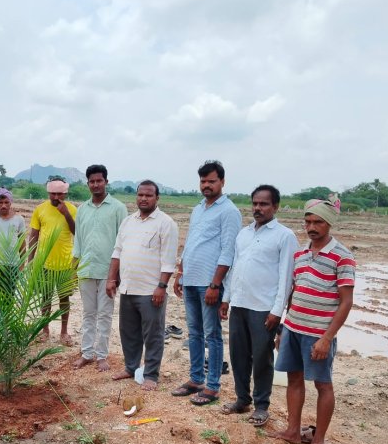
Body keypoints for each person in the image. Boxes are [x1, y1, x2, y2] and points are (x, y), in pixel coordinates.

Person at [271, 195, 355, 444]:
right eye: (308, 221)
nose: (312, 227)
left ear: (329, 223)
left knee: (323, 384)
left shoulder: (342, 257)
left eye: (318, 222)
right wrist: (284, 328)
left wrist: (327, 338)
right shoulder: (301, 253)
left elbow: (346, 302)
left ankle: (318, 441)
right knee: (294, 379)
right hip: (294, 329)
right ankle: (293, 431)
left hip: (318, 334)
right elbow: (295, 293)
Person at [218, 185, 297, 426]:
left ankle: (262, 405)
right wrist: (226, 298)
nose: (258, 208)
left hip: (264, 308)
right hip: (240, 303)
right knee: (238, 355)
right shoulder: (244, 234)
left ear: (275, 207)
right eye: (255, 203)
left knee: (262, 357)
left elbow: (286, 277)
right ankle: (242, 399)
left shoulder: (285, 236)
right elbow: (235, 268)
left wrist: (277, 311)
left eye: (263, 204)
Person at [172, 160, 242, 405]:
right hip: (191, 279)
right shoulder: (198, 208)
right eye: (203, 181)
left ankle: (212, 386)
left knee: (212, 335)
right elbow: (191, 243)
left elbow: (228, 251)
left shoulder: (229, 211)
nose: (206, 185)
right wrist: (180, 273)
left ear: (222, 181)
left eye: (211, 181)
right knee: (194, 333)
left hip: (209, 284)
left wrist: (215, 285)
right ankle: (195, 380)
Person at [107, 181, 179, 391]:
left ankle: (151, 375)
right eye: (140, 195)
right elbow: (117, 251)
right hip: (128, 287)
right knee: (128, 331)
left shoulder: (166, 224)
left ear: (157, 198)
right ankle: (130, 367)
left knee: (153, 334)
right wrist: (112, 279)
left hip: (151, 291)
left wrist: (161, 286)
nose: (143, 199)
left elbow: (168, 260)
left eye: (148, 195)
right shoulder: (128, 222)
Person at [72, 164, 127, 371]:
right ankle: (86, 353)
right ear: (88, 184)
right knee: (88, 313)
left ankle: (102, 355)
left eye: (99, 181)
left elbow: (122, 241)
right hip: (85, 270)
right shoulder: (82, 209)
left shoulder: (118, 208)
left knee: (104, 314)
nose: (96, 184)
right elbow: (78, 240)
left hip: (107, 271)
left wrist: (117, 273)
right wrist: (74, 267)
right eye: (92, 181)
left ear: (106, 182)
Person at [28, 177, 77, 346]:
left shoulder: (72, 209)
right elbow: (33, 236)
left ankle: (64, 332)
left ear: (65, 193)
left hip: (65, 263)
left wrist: (66, 214)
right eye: (53, 194)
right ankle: (45, 330)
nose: (56, 197)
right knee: (46, 299)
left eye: (60, 194)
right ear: (48, 193)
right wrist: (30, 261)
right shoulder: (40, 209)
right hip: (45, 263)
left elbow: (76, 232)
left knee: (64, 299)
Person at [0, 187, 26, 309]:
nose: (3, 206)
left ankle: (7, 324)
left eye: (6, 202)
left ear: (10, 203)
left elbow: (22, 245)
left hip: (12, 265)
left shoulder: (19, 220)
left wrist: (22, 265)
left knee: (9, 296)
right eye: (0, 203)